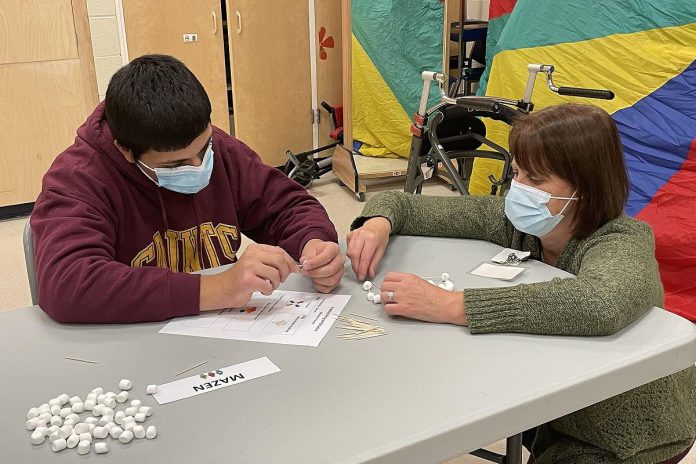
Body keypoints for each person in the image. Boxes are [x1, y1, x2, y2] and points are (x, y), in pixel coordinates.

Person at [347, 104, 696, 463]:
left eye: (537, 180)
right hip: (560, 408)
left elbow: (601, 303)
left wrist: (449, 305)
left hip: (630, 434)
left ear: (586, 186)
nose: (519, 189)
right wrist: (377, 222)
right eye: (517, 172)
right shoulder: (519, 226)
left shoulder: (624, 238)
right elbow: (406, 206)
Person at [31, 54, 344, 323]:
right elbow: (67, 282)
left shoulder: (219, 148)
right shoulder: (79, 178)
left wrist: (312, 241)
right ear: (126, 150)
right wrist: (219, 288)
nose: (198, 167)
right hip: (132, 339)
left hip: (221, 331)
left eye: (204, 149)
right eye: (174, 165)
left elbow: (289, 207)